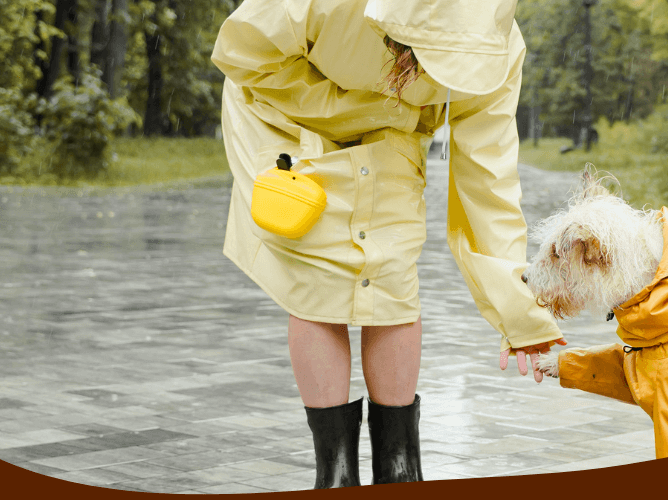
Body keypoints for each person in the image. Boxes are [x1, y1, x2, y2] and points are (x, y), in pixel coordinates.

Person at [211, 0, 565, 488]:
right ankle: (333, 473)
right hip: (283, 116)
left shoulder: (497, 43)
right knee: (320, 273)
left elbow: (488, 178)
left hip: (395, 128)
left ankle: (399, 468)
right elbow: (241, 53)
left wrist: (519, 310)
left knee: (392, 267)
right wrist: (361, 107)